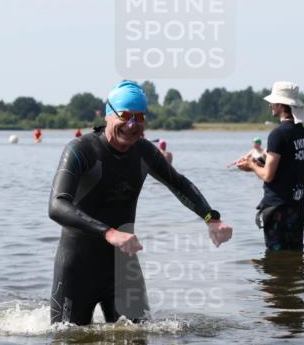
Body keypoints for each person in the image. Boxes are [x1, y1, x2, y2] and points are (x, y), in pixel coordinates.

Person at [48, 80, 233, 325]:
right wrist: (109, 233)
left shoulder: (145, 152)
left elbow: (178, 183)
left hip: (124, 269)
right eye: (125, 116)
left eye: (139, 117)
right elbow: (57, 205)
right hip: (77, 268)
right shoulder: (80, 150)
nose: (132, 125)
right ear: (109, 115)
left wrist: (212, 218)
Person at [236, 81, 304, 250]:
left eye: (272, 101)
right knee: (295, 255)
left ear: (280, 104)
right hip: (297, 205)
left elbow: (268, 175)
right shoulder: (303, 133)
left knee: (276, 260)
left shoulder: (277, 134)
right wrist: (255, 165)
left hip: (278, 208)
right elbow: (288, 165)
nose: (269, 104)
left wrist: (250, 163)